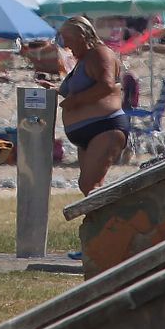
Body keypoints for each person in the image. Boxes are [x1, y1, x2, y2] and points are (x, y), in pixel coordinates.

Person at [58, 15, 130, 195]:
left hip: (104, 127)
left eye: (68, 39)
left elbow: (106, 85)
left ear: (81, 36)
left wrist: (76, 100)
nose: (66, 45)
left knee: (90, 185)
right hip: (88, 131)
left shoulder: (100, 53)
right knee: (88, 187)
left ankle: (119, 212)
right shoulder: (83, 60)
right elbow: (82, 88)